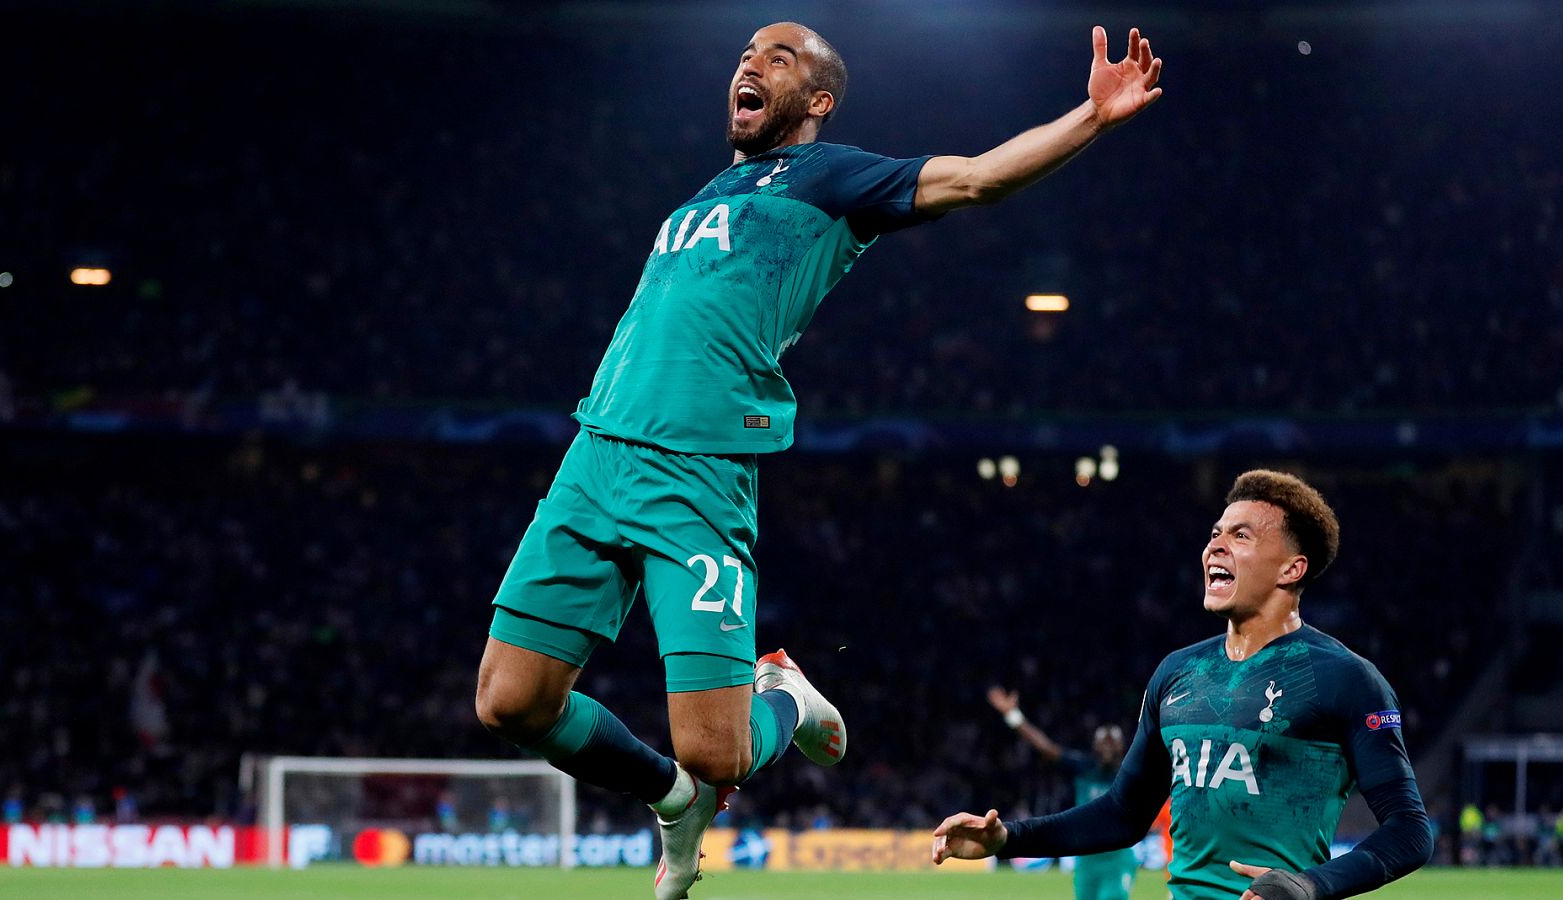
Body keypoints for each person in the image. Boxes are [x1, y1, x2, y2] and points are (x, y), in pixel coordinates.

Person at [471, 20, 1164, 900]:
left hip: (697, 473)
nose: (750, 65)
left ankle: (787, 699)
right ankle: (674, 802)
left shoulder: (832, 178)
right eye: (746, 55)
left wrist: (1091, 119)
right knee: (509, 699)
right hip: (594, 455)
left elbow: (979, 177)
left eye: (779, 58)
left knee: (717, 747)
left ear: (818, 102)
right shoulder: (703, 194)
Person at [933, 470, 1434, 900]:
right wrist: (1007, 838)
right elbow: (1123, 813)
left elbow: (1410, 831)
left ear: (1292, 568)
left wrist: (1310, 886)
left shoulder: (1345, 678)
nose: (1215, 544)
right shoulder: (1176, 673)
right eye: (1216, 532)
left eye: (1241, 536)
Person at [987, 685, 1139, 900]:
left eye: (1111, 742)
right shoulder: (1085, 768)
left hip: (1117, 858)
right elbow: (1045, 747)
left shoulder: (1130, 771)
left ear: (1122, 746)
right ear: (1094, 745)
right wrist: (1013, 716)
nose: (1107, 747)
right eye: (1103, 742)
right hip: (1086, 859)